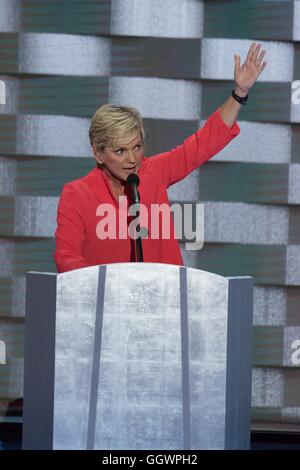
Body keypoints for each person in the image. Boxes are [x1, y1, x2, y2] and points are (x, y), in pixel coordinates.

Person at [53, 42, 267, 273]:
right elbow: (67, 258)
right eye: (120, 151)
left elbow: (203, 143)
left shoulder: (153, 172)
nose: (132, 159)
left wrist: (239, 93)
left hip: (166, 301)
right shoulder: (77, 194)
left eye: (137, 147)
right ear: (98, 153)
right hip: (105, 304)